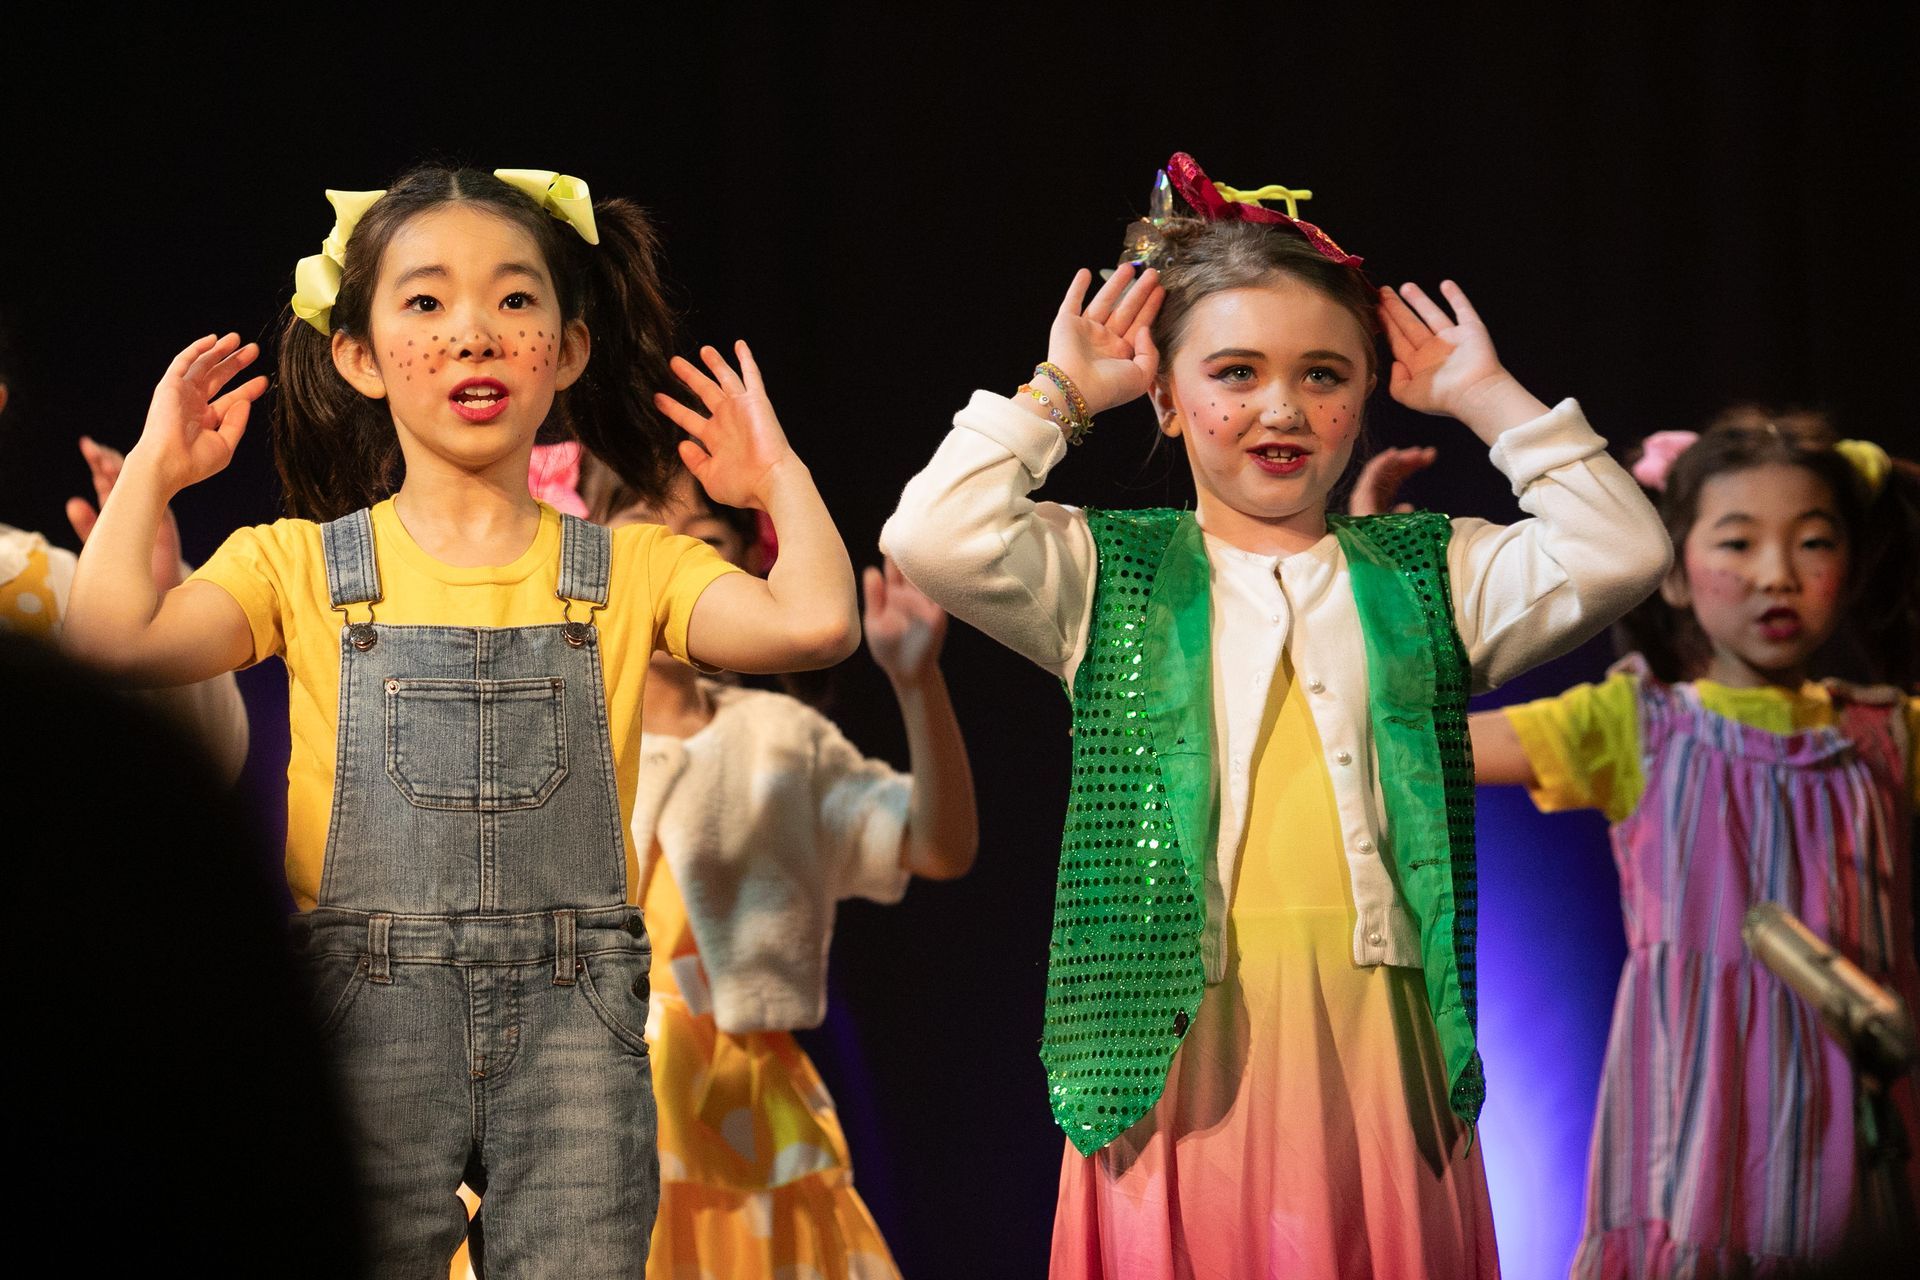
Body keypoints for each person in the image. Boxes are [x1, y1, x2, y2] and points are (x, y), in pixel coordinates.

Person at [61, 164, 861, 1278]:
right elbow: (108, 642)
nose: (475, 333)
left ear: (571, 349)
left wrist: (775, 478)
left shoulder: (628, 567)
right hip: (365, 1008)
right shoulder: (300, 561)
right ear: (359, 354)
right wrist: (157, 466)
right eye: (426, 303)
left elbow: (818, 622)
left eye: (517, 300)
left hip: (575, 1015)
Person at [880, 152, 1670, 1277]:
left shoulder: (1428, 572)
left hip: (1373, 1031)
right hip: (1171, 1035)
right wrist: (1060, 395)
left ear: (1364, 392)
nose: (1280, 408)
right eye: (1236, 372)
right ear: (1165, 393)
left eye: (1323, 374)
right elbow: (931, 536)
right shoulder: (1108, 570)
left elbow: (1624, 547)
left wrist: (1484, 396)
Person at [455, 456, 976, 1279]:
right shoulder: (530, 732)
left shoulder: (781, 738)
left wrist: (917, 684)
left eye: (706, 543)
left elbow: (937, 847)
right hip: (565, 1108)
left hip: (747, 1122)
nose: (677, 565)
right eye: (646, 539)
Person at [1457, 410, 1920, 1276]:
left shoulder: (1888, 733)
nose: (1777, 576)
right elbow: (1423, 741)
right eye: (1738, 544)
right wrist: (1388, 599)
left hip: (1855, 1104)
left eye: (1813, 543)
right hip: (1698, 1113)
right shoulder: (1637, 725)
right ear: (1673, 574)